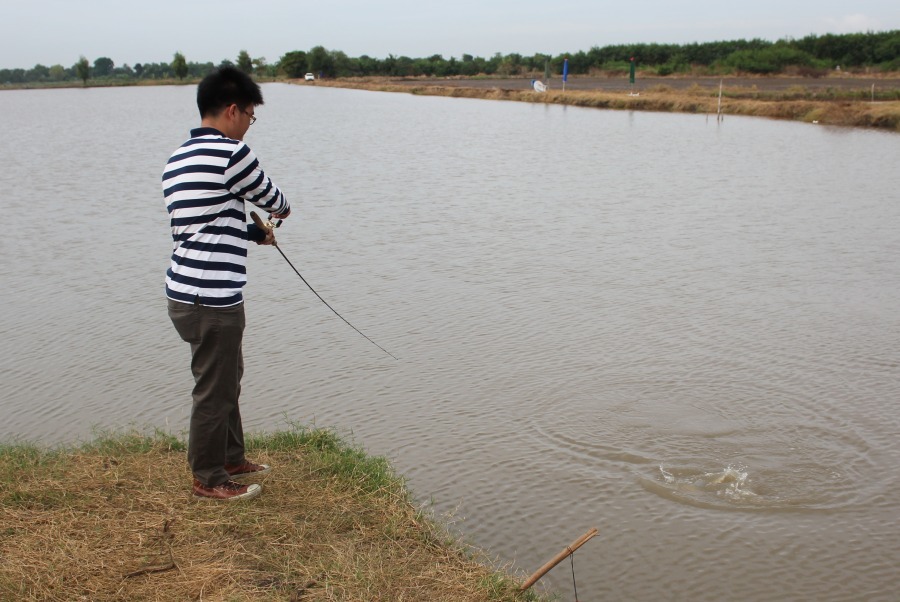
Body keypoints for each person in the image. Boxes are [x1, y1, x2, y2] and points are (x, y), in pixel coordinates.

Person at [163, 66, 291, 501]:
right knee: (213, 390)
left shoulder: (178, 157)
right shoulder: (233, 153)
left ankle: (232, 457)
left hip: (184, 290)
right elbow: (276, 201)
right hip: (213, 296)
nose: (249, 125)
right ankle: (209, 479)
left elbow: (206, 221)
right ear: (233, 109)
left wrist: (254, 233)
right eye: (251, 116)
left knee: (227, 376)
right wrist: (277, 218)